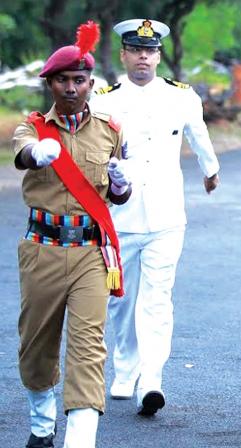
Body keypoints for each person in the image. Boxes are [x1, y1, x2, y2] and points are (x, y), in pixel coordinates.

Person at [90, 18, 220, 417]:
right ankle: (125, 369)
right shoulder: (104, 99)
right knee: (121, 299)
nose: (143, 57)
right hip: (119, 216)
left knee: (157, 298)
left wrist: (210, 169)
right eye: (136, 50)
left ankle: (152, 378)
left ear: (158, 56)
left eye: (150, 51)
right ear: (124, 55)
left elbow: (198, 135)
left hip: (166, 215)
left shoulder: (181, 97)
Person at [13, 21, 131, 448]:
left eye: (78, 80)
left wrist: (121, 184)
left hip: (90, 253)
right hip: (42, 250)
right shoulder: (32, 127)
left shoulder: (111, 130)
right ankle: (42, 426)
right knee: (37, 345)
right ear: (50, 84)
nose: (70, 88)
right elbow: (23, 154)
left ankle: (80, 439)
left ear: (90, 83)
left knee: (88, 345)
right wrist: (36, 153)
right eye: (61, 80)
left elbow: (117, 196)